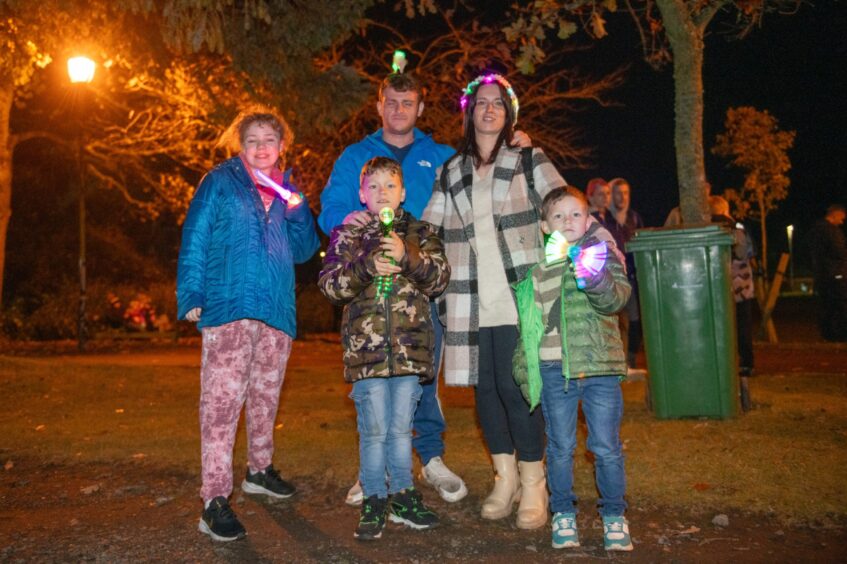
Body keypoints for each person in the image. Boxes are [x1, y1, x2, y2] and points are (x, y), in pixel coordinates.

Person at [319, 72, 531, 505]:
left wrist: (515, 147)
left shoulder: (441, 155)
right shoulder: (356, 156)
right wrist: (348, 223)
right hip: (369, 296)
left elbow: (482, 183)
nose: (399, 109)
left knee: (423, 377)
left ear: (420, 107)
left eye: (408, 102)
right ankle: (372, 470)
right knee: (374, 381)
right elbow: (332, 211)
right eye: (391, 102)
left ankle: (430, 458)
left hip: (425, 288)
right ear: (379, 106)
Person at [422, 73, 565, 530]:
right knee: (485, 395)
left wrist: (567, 258)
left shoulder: (528, 157)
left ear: (508, 114)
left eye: (497, 104)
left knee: (516, 387)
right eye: (481, 103)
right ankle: (505, 479)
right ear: (469, 113)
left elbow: (563, 207)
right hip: (467, 298)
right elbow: (430, 229)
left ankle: (534, 482)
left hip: (519, 294)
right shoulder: (452, 170)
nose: (488, 110)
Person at [176, 107, 320, 542]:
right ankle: (214, 500)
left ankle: (259, 470)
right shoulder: (220, 181)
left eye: (269, 140)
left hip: (275, 309)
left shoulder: (286, 191)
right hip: (228, 305)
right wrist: (191, 294)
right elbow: (195, 236)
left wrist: (298, 212)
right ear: (241, 145)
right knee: (221, 406)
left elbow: (305, 250)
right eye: (253, 139)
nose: (261, 147)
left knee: (265, 398)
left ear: (281, 147)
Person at [318, 157, 449, 540]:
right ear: (362, 195)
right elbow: (329, 286)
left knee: (400, 430)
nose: (382, 193)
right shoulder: (348, 236)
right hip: (367, 357)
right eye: (373, 187)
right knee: (374, 431)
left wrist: (408, 256)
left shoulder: (422, 232)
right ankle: (375, 498)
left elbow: (439, 279)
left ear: (403, 192)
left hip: (410, 354)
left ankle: (404, 496)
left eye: (389, 185)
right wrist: (366, 266)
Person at [512, 186, 633, 551]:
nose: (568, 221)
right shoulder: (536, 273)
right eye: (558, 216)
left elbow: (617, 298)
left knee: (606, 446)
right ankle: (563, 512)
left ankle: (614, 515)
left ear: (588, 220)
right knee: (561, 446)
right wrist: (525, 370)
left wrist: (591, 274)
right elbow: (528, 329)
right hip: (554, 370)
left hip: (601, 370)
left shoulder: (603, 255)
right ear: (546, 227)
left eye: (576, 214)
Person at [710, 195, 756, 409]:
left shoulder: (710, 225)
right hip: (741, 284)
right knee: (743, 324)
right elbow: (745, 252)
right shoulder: (737, 226)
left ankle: (725, 362)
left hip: (720, 284)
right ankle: (746, 363)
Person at [607, 178, 645, 368]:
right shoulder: (605, 219)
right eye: (617, 192)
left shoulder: (634, 218)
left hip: (631, 279)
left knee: (635, 320)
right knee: (616, 322)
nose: (622, 197)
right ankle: (617, 361)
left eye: (626, 192)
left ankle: (630, 359)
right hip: (611, 279)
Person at [808, 204, 847, 342]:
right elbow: (839, 251)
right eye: (841, 218)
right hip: (835, 274)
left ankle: (828, 334)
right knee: (840, 304)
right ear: (835, 214)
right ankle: (840, 334)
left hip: (822, 274)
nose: (842, 221)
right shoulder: (831, 231)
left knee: (826, 305)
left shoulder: (816, 230)